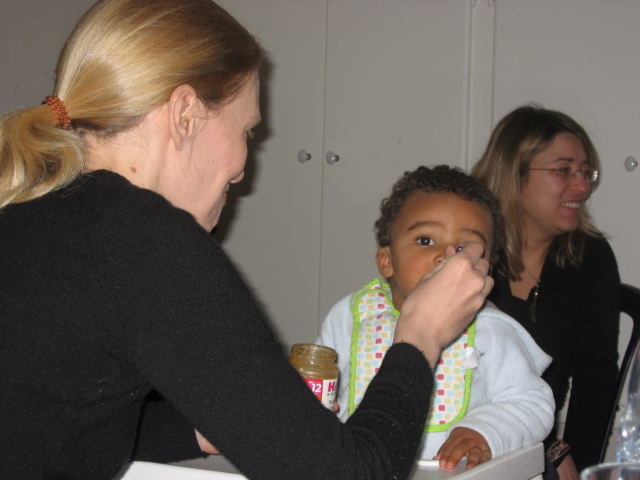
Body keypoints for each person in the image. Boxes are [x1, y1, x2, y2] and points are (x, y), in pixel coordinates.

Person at [0, 1, 495, 479]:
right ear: (185, 113)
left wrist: (210, 427)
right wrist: (420, 333)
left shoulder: (37, 211)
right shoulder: (143, 240)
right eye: (247, 131)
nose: (243, 167)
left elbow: (68, 421)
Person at [316, 165, 555, 471]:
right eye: (426, 241)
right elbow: (322, 385)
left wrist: (485, 431)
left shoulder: (490, 329)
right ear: (387, 260)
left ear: (484, 272)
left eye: (464, 248)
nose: (447, 256)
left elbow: (532, 401)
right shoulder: (350, 316)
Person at [471, 105, 621, 480]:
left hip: (537, 444)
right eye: (563, 170)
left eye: (586, 172)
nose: (583, 187)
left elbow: (596, 380)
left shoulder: (590, 257)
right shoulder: (468, 249)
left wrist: (579, 465)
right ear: (514, 173)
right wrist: (547, 444)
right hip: (460, 437)